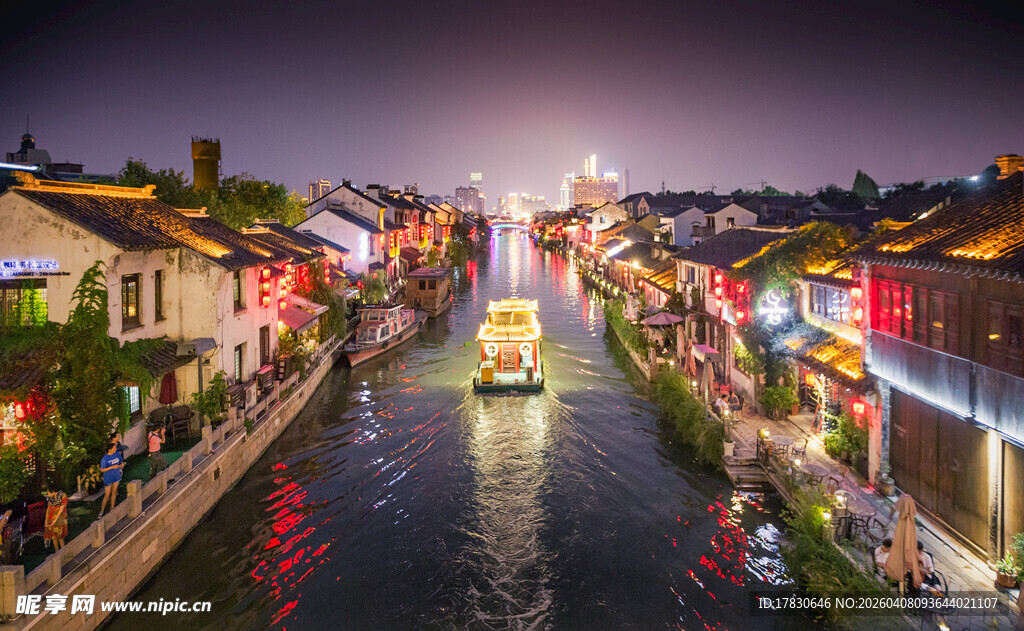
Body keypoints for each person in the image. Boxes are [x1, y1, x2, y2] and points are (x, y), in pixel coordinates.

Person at [98, 442, 125, 518]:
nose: (116, 449)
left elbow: (121, 462)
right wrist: (112, 467)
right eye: (114, 448)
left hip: (116, 477)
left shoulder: (117, 454)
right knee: (107, 495)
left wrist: (121, 465)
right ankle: (102, 511)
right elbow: (102, 470)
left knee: (114, 493)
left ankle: (112, 509)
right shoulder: (105, 459)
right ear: (110, 449)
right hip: (108, 478)